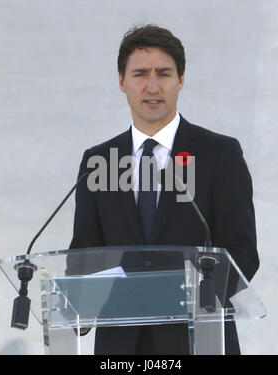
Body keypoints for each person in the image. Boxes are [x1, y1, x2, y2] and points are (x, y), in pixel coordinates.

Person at [67, 24, 259, 355]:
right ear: (122, 82)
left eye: (164, 74)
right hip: (121, 350)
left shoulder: (219, 154)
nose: (152, 86)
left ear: (180, 80)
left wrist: (180, 296)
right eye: (140, 74)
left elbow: (241, 253)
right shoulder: (98, 161)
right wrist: (81, 305)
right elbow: (84, 256)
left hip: (198, 341)